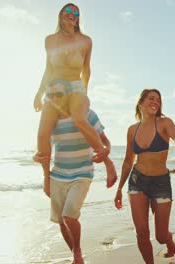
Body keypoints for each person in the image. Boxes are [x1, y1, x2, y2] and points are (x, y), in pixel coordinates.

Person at [33, 3, 117, 188]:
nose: (72, 14)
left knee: (79, 119)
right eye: (68, 11)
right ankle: (47, 178)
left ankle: (109, 164)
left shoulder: (86, 41)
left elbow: (86, 70)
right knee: (42, 135)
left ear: (78, 19)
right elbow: (48, 69)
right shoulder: (50, 40)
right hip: (55, 89)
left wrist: (84, 94)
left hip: (76, 88)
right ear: (61, 15)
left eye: (75, 13)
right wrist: (39, 93)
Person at [34, 83, 114, 264]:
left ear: (69, 95)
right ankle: (76, 257)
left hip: (82, 172)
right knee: (61, 221)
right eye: (50, 95)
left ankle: (77, 252)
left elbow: (105, 142)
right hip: (58, 174)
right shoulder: (50, 120)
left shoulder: (87, 115)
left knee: (69, 215)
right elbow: (44, 152)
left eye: (59, 94)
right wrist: (44, 175)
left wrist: (106, 155)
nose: (54, 99)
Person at [113, 89, 175, 264]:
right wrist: (119, 189)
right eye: (151, 98)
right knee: (142, 233)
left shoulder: (164, 123)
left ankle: (168, 240)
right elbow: (127, 161)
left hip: (161, 183)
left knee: (160, 236)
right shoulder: (132, 130)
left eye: (158, 100)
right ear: (141, 103)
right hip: (137, 182)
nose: (155, 102)